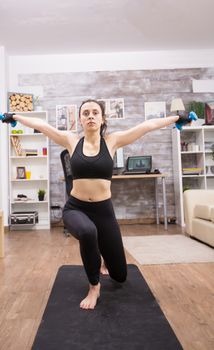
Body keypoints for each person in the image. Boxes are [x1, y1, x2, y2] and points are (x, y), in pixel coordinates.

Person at [1, 100, 186, 310]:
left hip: (104, 211)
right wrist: (15, 117)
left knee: (120, 276)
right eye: (86, 113)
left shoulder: (112, 141)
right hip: (76, 208)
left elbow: (146, 126)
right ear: (80, 119)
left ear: (102, 118)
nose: (90, 116)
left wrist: (177, 118)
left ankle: (106, 260)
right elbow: (42, 125)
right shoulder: (71, 140)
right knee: (88, 232)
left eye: (95, 112)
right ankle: (94, 286)